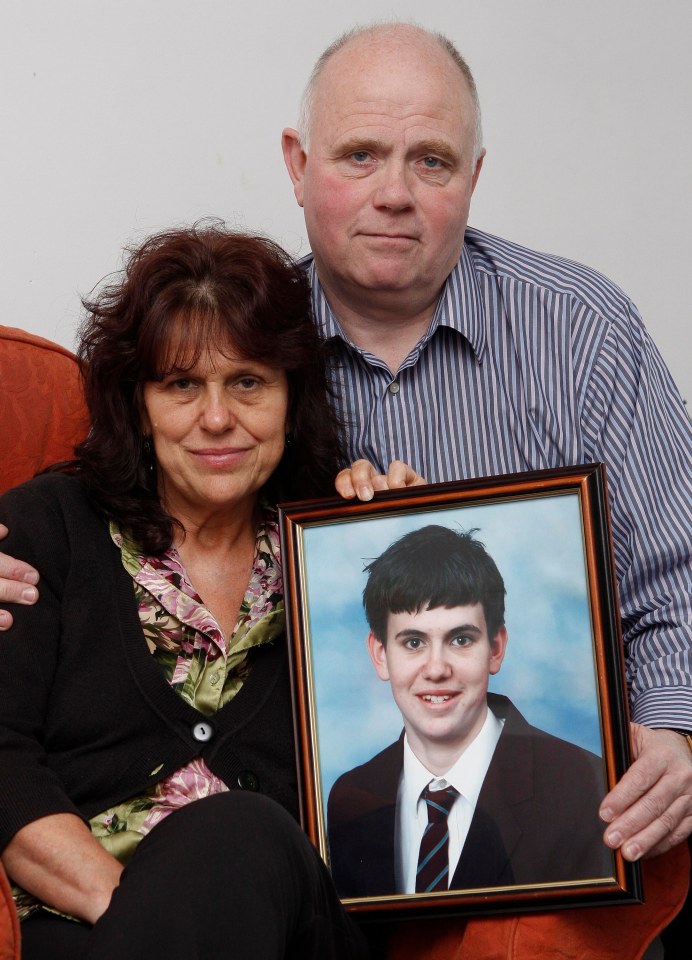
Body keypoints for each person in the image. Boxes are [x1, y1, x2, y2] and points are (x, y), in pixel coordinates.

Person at [1, 16, 691, 878]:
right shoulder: (240, 330)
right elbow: (98, 523)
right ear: (297, 164)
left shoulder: (584, 329)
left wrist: (674, 728)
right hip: (296, 850)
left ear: (474, 177)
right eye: (359, 154)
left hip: (516, 820)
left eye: (431, 161)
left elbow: (676, 570)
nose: (394, 193)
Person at [0, 224, 422, 959]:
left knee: (244, 828)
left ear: (292, 399)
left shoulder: (339, 552)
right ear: (137, 405)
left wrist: (413, 540)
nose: (218, 417)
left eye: (249, 382)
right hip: (84, 931)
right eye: (182, 385)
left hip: (298, 931)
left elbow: (419, 750)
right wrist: (144, 917)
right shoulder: (45, 530)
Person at [328, 525, 612, 899]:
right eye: (413, 642)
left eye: (460, 640)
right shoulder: (350, 798)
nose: (436, 668)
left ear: (495, 648)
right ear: (381, 655)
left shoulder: (584, 786)